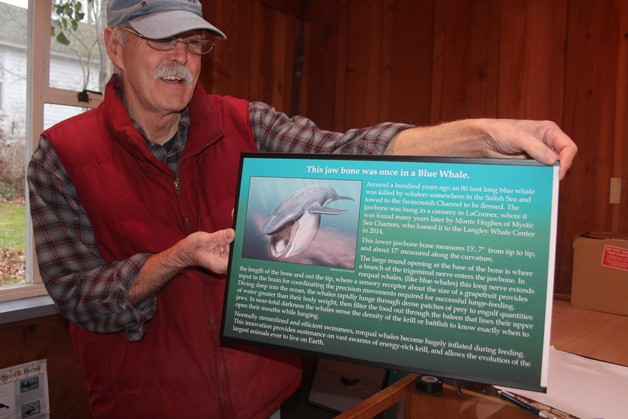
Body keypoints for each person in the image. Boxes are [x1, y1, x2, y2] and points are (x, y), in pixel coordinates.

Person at [27, 0, 577, 418]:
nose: (181, 60)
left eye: (194, 44)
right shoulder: (62, 156)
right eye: (161, 41)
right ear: (115, 46)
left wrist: (486, 137)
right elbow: (79, 296)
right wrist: (175, 258)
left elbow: (348, 150)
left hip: (261, 404)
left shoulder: (246, 123)